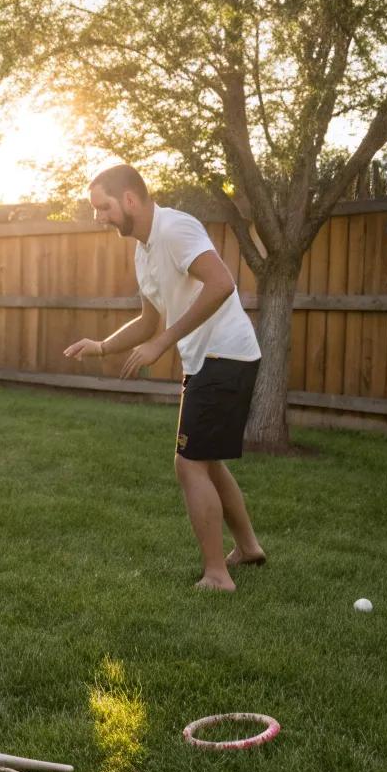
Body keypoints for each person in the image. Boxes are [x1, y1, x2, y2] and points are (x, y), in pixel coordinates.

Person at [64, 163, 265, 592]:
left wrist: (165, 342)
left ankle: (217, 574)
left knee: (188, 463)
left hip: (224, 354)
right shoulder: (144, 251)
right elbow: (147, 320)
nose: (100, 218)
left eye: (104, 208)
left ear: (130, 199)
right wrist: (100, 345)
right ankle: (247, 547)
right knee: (206, 460)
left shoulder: (176, 229)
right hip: (209, 359)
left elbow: (221, 283)